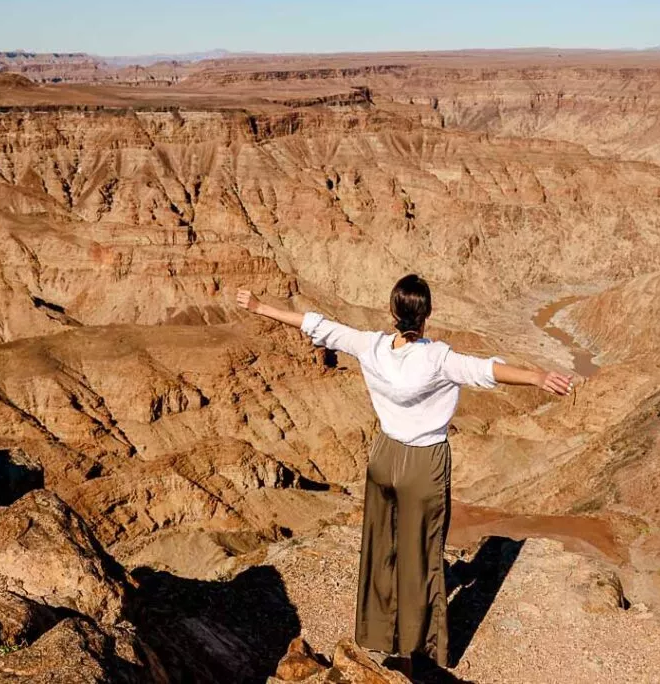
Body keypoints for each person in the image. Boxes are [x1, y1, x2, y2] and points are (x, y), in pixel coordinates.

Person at [235, 274, 573, 676]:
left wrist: (260, 307)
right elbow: (488, 370)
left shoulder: (370, 346)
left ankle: (377, 633)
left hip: (383, 457)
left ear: (393, 313)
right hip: (423, 463)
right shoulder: (438, 358)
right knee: (420, 555)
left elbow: (318, 325)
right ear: (426, 314)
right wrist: (537, 377)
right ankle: (416, 648)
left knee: (382, 548)